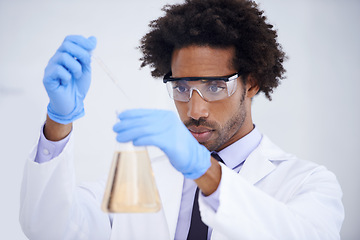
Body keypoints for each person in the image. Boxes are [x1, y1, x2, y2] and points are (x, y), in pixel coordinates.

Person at [19, 0, 344, 239]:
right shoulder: (144, 179)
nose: (195, 110)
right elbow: (50, 228)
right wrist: (58, 121)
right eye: (182, 87)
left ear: (253, 83)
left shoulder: (308, 182)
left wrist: (205, 172)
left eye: (216, 86)